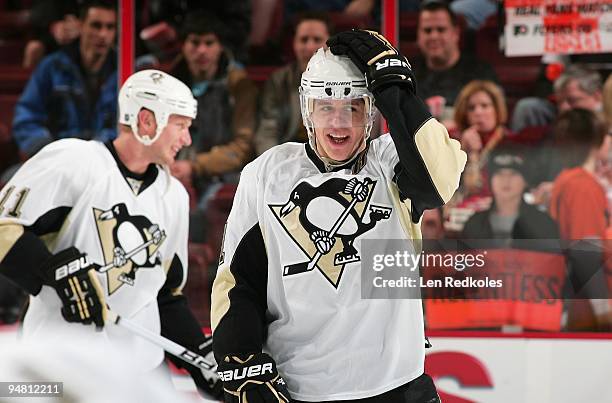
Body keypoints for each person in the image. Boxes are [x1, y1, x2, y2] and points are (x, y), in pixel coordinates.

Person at [211, 30, 466, 402]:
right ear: (307, 109)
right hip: (302, 388)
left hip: (397, 385)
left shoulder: (392, 161)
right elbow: (238, 282)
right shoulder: (266, 173)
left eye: (354, 107)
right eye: (326, 107)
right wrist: (242, 357)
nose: (339, 124)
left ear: (372, 110)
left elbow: (438, 180)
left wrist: (395, 86)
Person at [0, 69, 221, 398]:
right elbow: (4, 229)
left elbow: (163, 296)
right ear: (147, 121)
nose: (187, 139)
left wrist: (200, 355)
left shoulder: (173, 197)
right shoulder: (75, 161)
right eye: (181, 125)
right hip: (57, 367)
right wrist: (56, 271)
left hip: (138, 371)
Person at [169, 11, 258, 209]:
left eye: (209, 43)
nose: (202, 50)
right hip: (174, 168)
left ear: (220, 48)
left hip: (224, 175)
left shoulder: (239, 84)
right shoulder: (169, 83)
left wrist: (195, 166)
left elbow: (242, 147)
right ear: (183, 46)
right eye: (194, 42)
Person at [12, 0, 118, 159]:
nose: (103, 34)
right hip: (54, 159)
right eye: (96, 25)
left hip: (103, 162)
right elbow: (26, 117)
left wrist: (96, 153)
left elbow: (125, 129)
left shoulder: (124, 72)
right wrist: (48, 151)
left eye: (110, 27)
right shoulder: (51, 67)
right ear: (81, 26)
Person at [549, 108, 610, 331]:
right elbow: (586, 256)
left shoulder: (567, 179)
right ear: (598, 140)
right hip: (588, 314)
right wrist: (604, 313)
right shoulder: (582, 186)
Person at [255, 12, 332, 156]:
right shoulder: (278, 80)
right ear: (294, 44)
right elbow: (268, 130)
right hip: (288, 156)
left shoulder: (346, 81)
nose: (310, 47)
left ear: (329, 43)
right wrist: (272, 164)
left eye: (317, 39)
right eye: (304, 40)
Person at [412, 0, 497, 120]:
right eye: (427, 30)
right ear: (418, 35)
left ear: (456, 33)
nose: (434, 36)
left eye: (441, 30)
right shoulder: (408, 74)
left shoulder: (481, 73)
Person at [462, 147, 559, 241]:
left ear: (526, 181)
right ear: (490, 180)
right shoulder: (473, 224)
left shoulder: (544, 224)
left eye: (513, 173)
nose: (506, 180)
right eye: (499, 173)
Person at [451, 80, 514, 205]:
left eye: (485, 106)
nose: (478, 112)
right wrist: (463, 150)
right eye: (471, 108)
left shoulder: (511, 142)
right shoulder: (454, 141)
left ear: (497, 109)